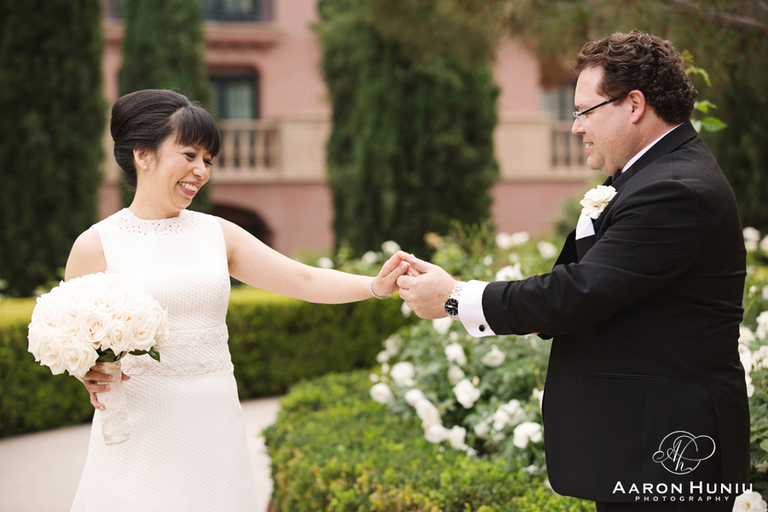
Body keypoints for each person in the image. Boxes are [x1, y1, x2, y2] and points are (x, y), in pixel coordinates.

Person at [397, 31, 749, 511]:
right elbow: (582, 291)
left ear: (634, 105)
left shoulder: (673, 189)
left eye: (583, 111)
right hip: (642, 443)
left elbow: (579, 292)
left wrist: (457, 298)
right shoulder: (647, 177)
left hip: (669, 448)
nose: (574, 127)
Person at [65, 89, 412, 511]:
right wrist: (87, 372)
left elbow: (302, 279)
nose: (201, 170)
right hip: (141, 420)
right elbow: (74, 341)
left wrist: (374, 286)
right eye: (189, 154)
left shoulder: (216, 233)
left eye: (207, 160)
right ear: (143, 154)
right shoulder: (96, 244)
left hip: (213, 416)